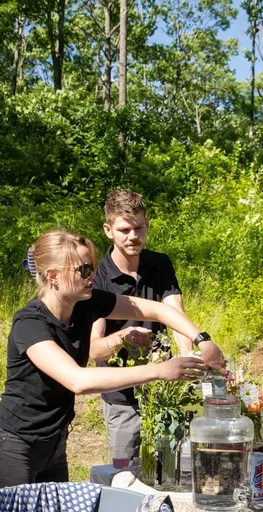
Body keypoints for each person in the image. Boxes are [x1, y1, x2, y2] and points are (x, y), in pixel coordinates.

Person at [0, 229, 223, 491]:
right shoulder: (30, 323)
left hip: (53, 448)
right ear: (52, 276)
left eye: (92, 268)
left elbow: (158, 309)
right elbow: (78, 380)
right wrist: (159, 370)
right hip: (13, 451)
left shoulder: (86, 303)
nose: (92, 276)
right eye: (83, 270)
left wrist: (202, 339)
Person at [89, 189, 192, 469]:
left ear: (147, 226)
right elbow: (95, 350)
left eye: (139, 228)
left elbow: (176, 316)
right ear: (108, 230)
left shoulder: (159, 264)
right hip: (120, 393)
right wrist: (123, 336)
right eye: (124, 230)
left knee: (170, 467)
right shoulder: (97, 277)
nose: (133, 236)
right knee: (125, 472)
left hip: (162, 386)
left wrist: (188, 355)